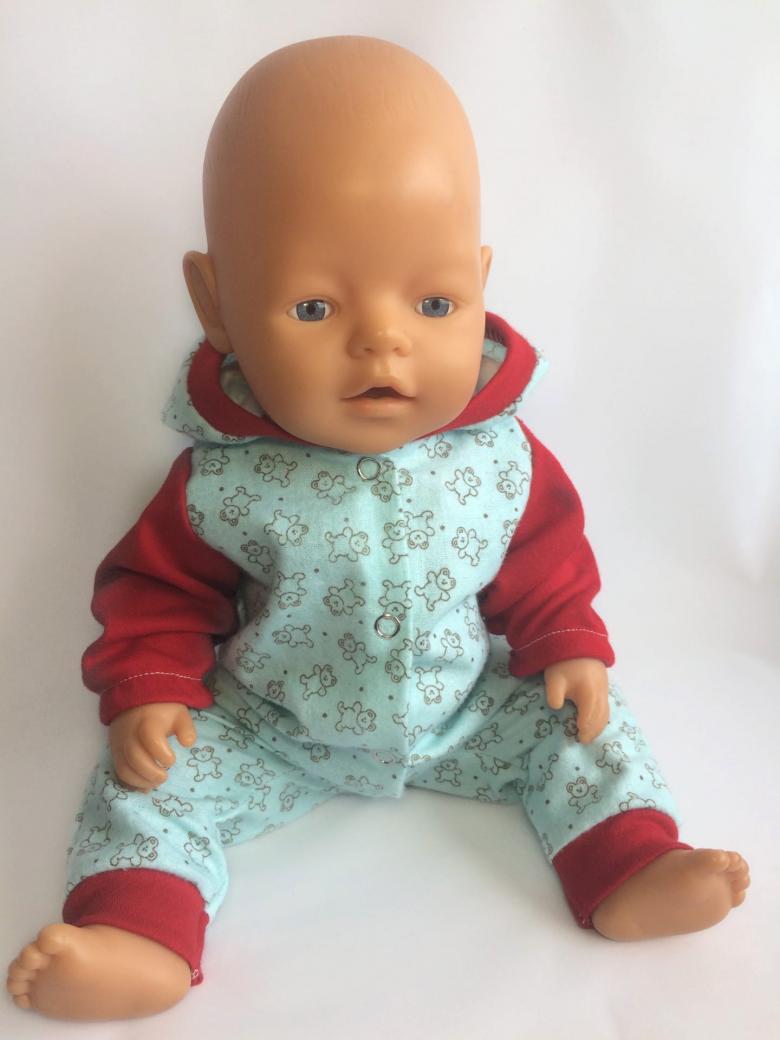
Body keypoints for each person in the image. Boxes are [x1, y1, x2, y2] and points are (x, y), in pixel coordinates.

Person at [7, 35, 749, 1021]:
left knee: (585, 725)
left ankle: (629, 862)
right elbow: (157, 591)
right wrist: (151, 690)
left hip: (463, 710)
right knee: (144, 783)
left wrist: (567, 643)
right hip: (271, 726)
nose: (383, 341)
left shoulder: (502, 455)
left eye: (434, 301)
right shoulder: (220, 482)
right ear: (217, 304)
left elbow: (547, 558)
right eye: (315, 306)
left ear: (480, 280)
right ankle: (138, 931)